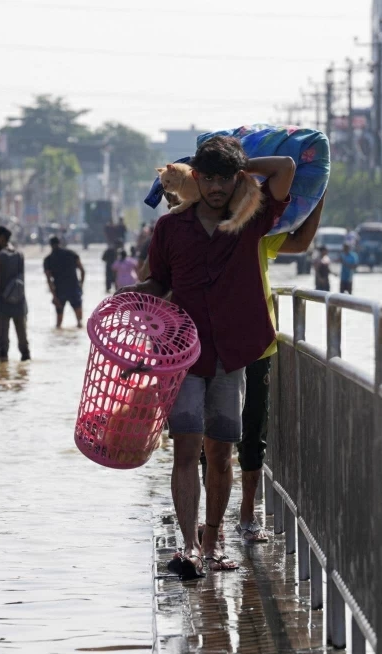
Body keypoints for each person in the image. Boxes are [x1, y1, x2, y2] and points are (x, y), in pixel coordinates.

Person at [119, 135, 295, 578]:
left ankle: (213, 541)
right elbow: (159, 283)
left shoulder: (249, 219)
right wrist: (129, 297)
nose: (217, 187)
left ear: (237, 180)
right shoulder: (171, 228)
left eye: (226, 178)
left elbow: (286, 168)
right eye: (208, 177)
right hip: (183, 355)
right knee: (186, 447)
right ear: (196, 178)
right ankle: (189, 545)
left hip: (232, 354)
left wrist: (240, 163)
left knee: (221, 453)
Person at [200, 193, 328, 544]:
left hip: (256, 344)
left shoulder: (254, 232)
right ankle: (214, 520)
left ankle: (247, 514)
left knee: (253, 431)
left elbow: (300, 242)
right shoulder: (194, 232)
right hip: (212, 344)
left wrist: (318, 195)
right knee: (210, 438)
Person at [0, 225, 30, 363]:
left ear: (2, 238)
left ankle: (2, 378)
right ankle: (24, 380)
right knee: (24, 345)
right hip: (20, 305)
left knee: (3, 347)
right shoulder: (20, 255)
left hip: (2, 306)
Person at [43, 235, 85, 328]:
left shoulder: (48, 259)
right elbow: (82, 270)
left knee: (58, 324)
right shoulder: (71, 254)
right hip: (73, 288)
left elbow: (48, 280)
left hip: (59, 290)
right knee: (80, 322)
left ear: (50, 245)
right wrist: (81, 285)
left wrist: (54, 296)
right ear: (60, 243)